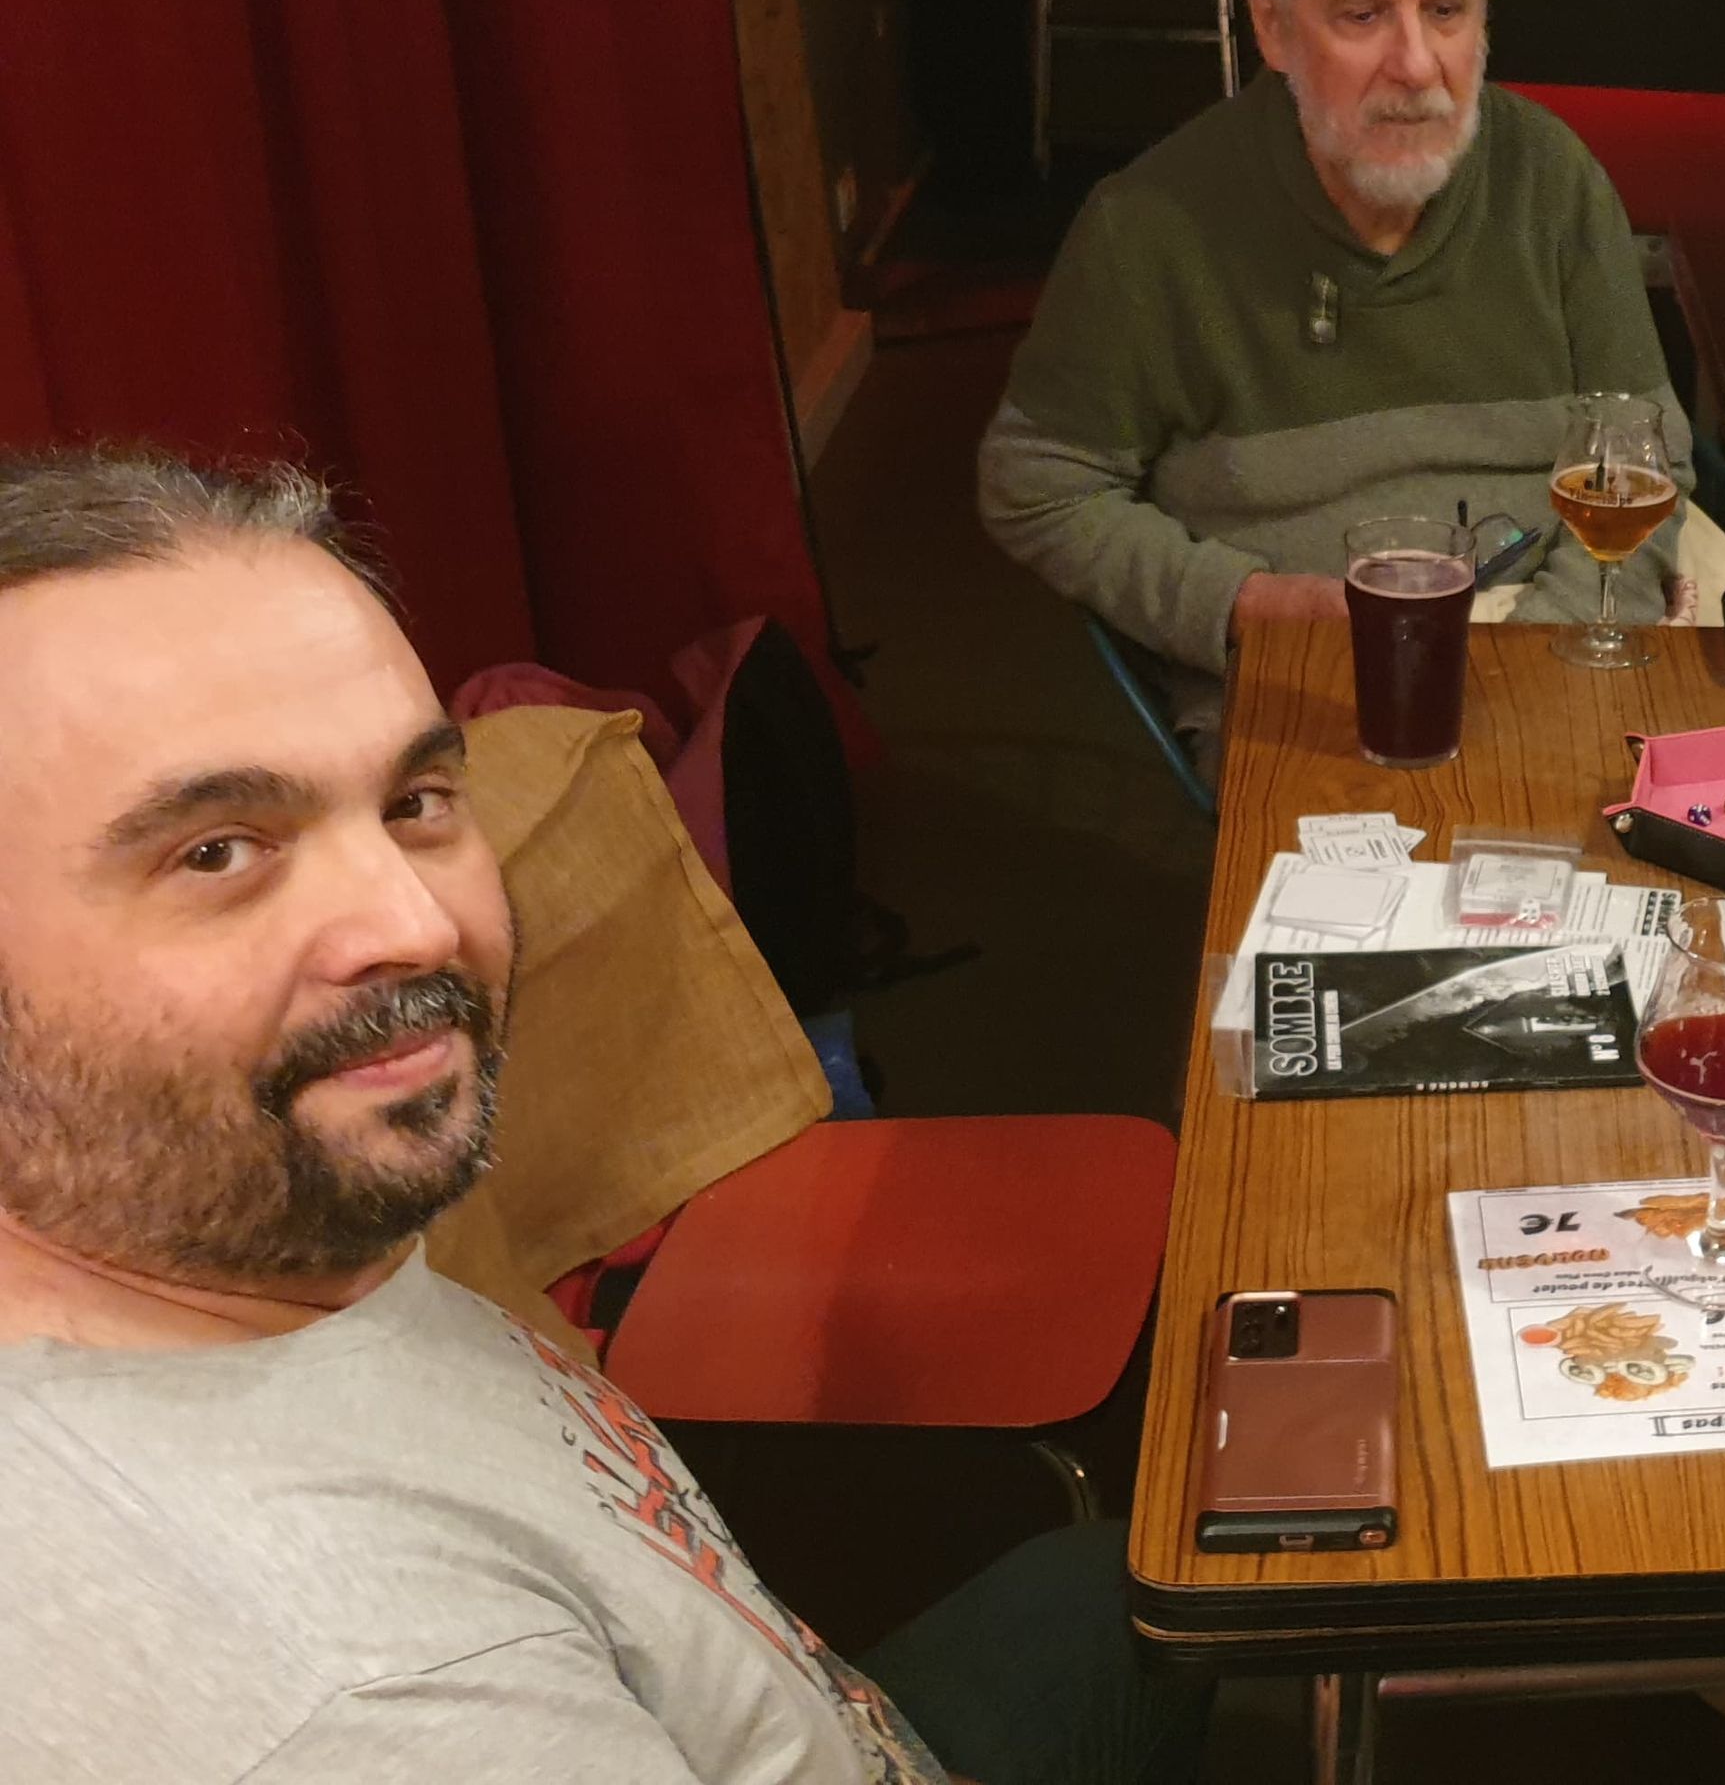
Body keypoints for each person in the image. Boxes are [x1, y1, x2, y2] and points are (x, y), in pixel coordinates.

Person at [0, 449, 1210, 1785]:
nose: (418, 921)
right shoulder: (379, 1703)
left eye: (415, 802)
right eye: (217, 851)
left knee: (1121, 1590)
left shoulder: (223, 1210)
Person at [979, 0, 1694, 754]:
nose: (1417, 64)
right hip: (1306, 678)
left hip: (1551, 639)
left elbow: (1647, 459)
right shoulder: (1147, 227)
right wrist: (1243, 602)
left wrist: (1529, 660)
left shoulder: (1551, 179)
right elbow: (1035, 484)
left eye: (1445, 10)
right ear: (1272, 28)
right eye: (1362, 15)